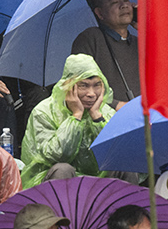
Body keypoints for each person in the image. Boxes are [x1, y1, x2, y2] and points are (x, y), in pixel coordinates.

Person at [19, 54, 113, 184]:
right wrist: (76, 116)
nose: (91, 94)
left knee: (124, 169)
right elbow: (57, 156)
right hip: (51, 180)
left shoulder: (105, 111)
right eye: (84, 86)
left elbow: (114, 154)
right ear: (69, 85)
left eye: (97, 85)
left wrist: (97, 118)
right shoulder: (44, 112)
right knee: (63, 169)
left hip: (96, 180)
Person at [69, 0, 139, 107]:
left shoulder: (140, 41)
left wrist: (146, 28)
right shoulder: (91, 38)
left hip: (149, 116)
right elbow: (81, 88)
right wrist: (117, 105)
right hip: (108, 120)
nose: (124, 6)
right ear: (100, 13)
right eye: (114, 2)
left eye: (126, 0)